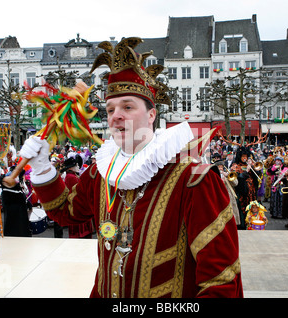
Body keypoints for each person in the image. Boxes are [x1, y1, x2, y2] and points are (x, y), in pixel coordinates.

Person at [16, 37, 243, 298]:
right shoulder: (100, 172)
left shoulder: (194, 180)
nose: (116, 116)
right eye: (111, 109)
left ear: (151, 115)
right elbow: (65, 212)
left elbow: (221, 281)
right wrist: (42, 167)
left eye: (127, 106)